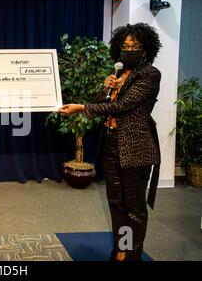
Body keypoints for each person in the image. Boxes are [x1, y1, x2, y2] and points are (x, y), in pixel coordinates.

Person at [58, 23, 162, 261]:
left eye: (134, 46)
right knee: (116, 202)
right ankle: (122, 249)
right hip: (111, 143)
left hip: (135, 147)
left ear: (145, 50)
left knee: (133, 207)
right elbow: (104, 103)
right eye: (125, 46)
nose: (129, 50)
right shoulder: (117, 73)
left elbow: (123, 106)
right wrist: (106, 88)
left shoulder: (150, 74)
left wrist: (82, 108)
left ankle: (133, 255)